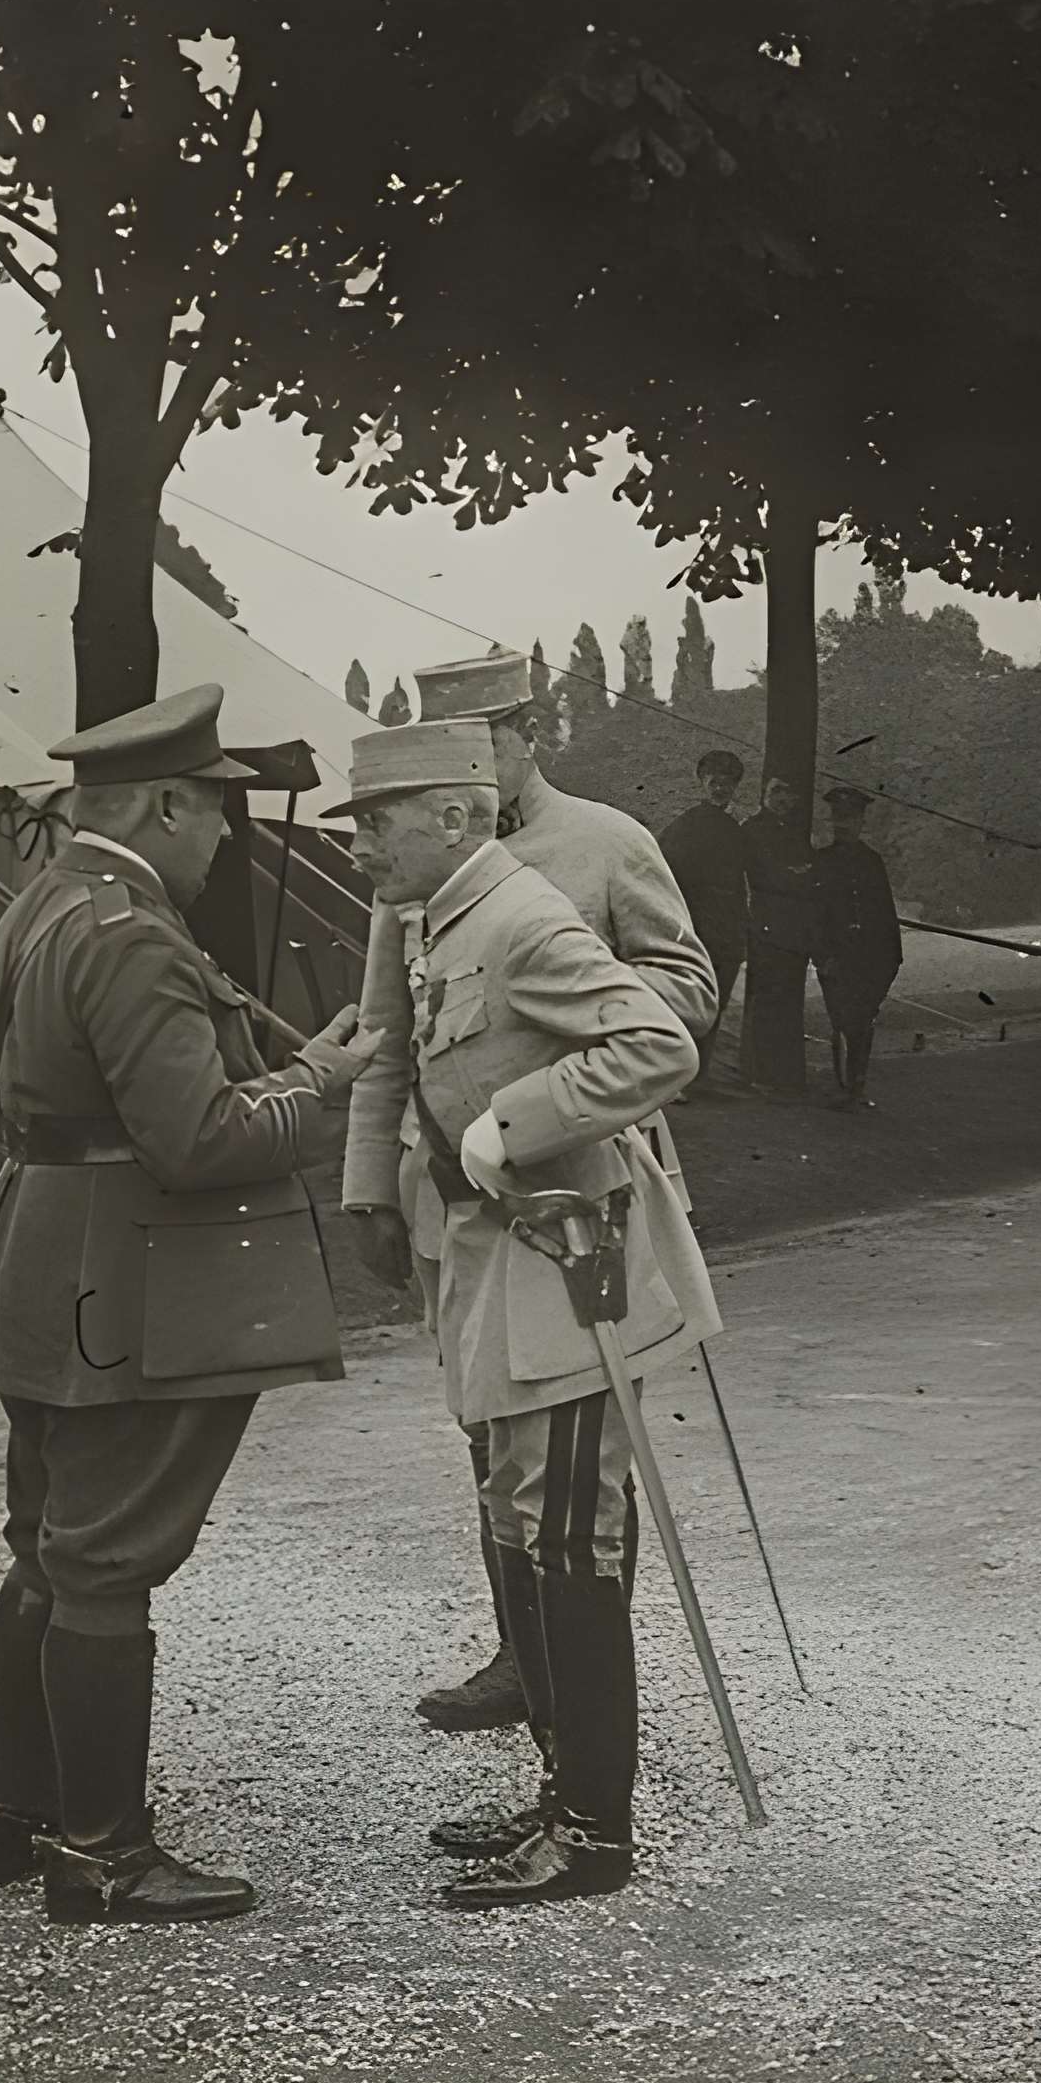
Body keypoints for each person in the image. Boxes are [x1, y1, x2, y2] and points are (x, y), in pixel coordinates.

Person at [0, 682, 384, 1927]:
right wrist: (319, 1079)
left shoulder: (46, 903)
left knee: (48, 1541)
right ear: (161, 805)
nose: (227, 842)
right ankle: (101, 1851)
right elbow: (196, 1137)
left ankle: (17, 1816)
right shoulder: (130, 930)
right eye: (217, 815)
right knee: (106, 1560)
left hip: (45, 1253)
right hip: (122, 1271)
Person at [335, 718, 716, 1907]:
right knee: (523, 1505)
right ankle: (562, 1793)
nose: (357, 848)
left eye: (374, 822)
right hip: (512, 1252)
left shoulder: (518, 918)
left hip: (579, 1252)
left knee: (569, 1527)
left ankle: (596, 1833)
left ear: (452, 817)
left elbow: (656, 1039)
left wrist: (519, 1121)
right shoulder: (436, 921)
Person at [812, 785, 903, 1108]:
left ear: (861, 821)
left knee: (863, 1022)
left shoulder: (872, 862)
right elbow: (816, 914)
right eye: (839, 818)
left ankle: (857, 1088)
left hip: (871, 959)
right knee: (842, 1021)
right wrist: (822, 957)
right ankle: (844, 1087)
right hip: (837, 960)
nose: (845, 824)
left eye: (851, 818)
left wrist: (893, 959)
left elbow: (885, 914)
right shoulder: (821, 862)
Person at [657, 749, 752, 1035]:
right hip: (696, 930)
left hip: (727, 934)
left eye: (727, 784)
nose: (721, 789)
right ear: (703, 784)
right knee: (689, 1004)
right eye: (714, 782)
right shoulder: (685, 826)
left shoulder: (735, 830)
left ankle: (700, 1072)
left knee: (715, 1005)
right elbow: (665, 875)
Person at [740, 775, 820, 1091]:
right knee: (769, 1001)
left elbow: (808, 875)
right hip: (767, 925)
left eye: (788, 794)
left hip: (791, 928)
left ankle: (779, 1074)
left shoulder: (793, 833)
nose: (781, 799)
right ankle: (763, 1074)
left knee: (785, 999)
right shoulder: (753, 830)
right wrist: (795, 876)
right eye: (775, 792)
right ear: (765, 795)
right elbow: (769, 876)